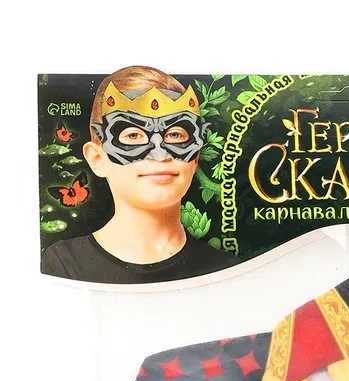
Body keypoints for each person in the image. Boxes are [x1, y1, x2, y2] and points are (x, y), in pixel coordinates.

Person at [41, 66, 233, 284]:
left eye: (175, 134)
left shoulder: (227, 272)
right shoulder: (64, 265)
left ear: (195, 158)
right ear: (97, 159)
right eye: (133, 135)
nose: (160, 155)